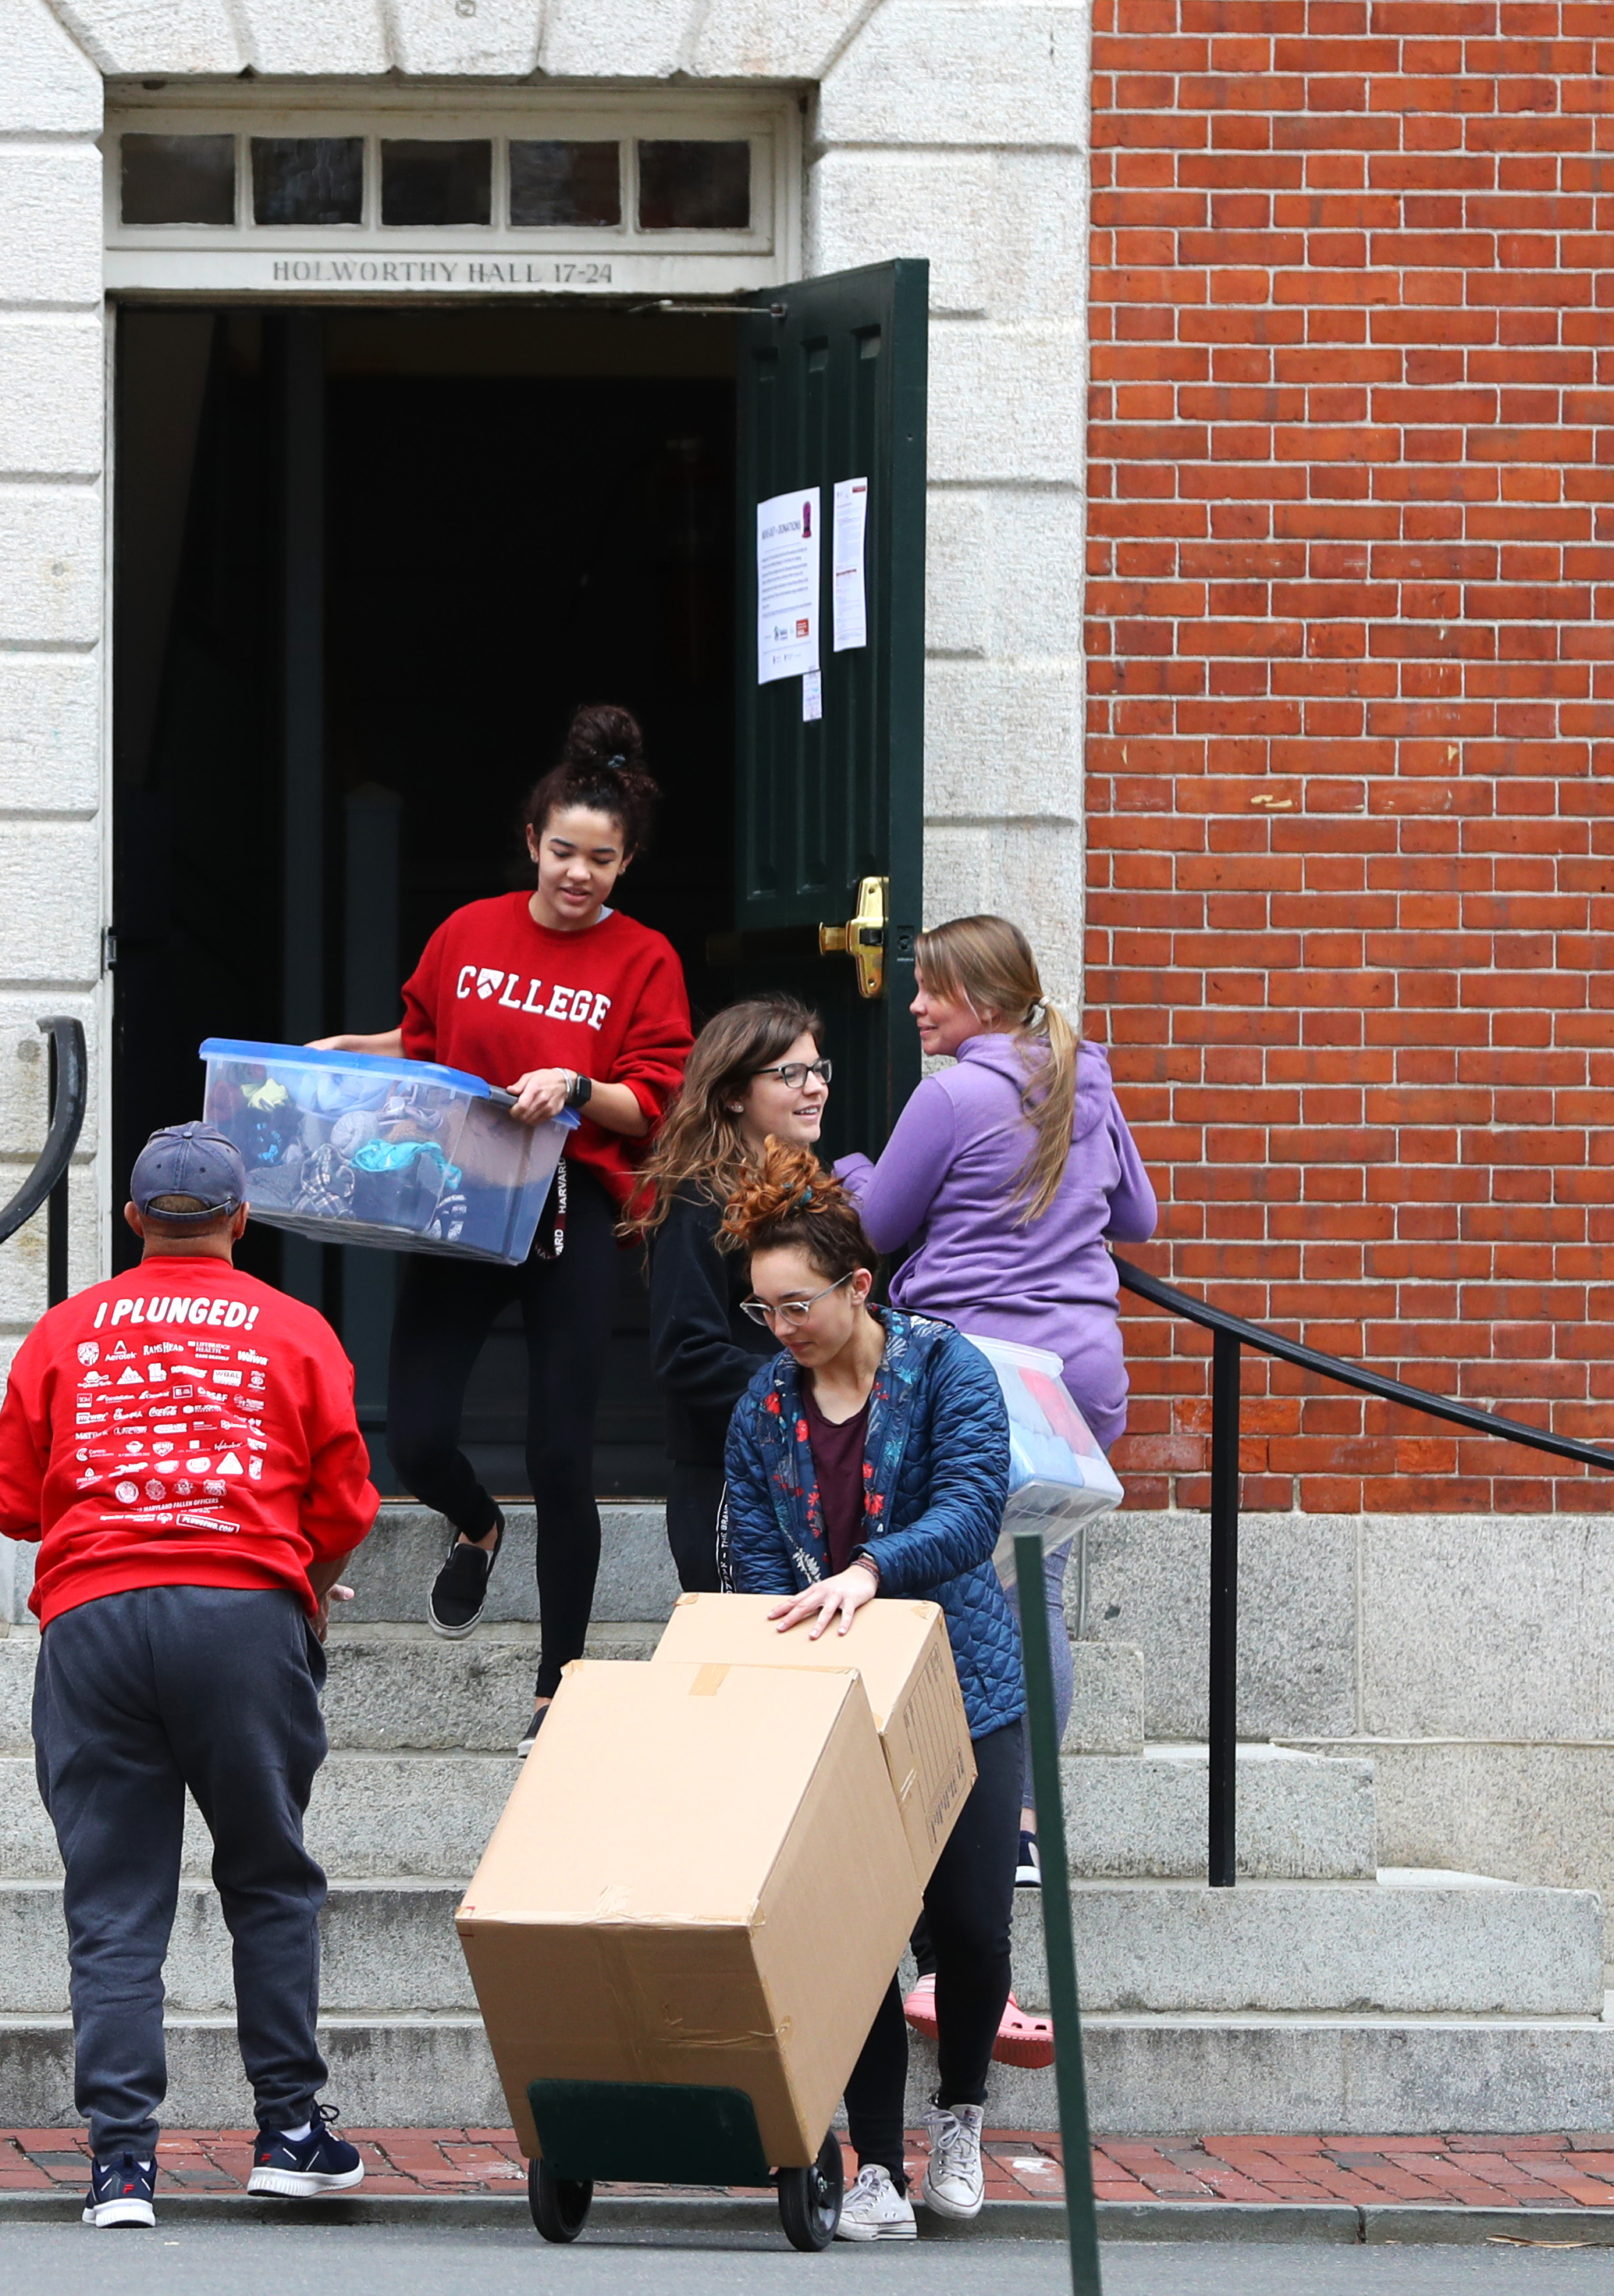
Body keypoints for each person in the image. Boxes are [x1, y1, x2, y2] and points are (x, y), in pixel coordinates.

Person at [0, 1123, 383, 2230]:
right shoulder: (292, 1329)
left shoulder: (66, 1330)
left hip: (94, 1617)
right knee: (265, 1875)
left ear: (132, 1220)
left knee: (112, 1900)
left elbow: (12, 1499)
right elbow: (346, 1503)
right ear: (240, 1221)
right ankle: (290, 2131)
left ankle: (120, 2165)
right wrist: (303, 1576)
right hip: (242, 1616)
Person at [309, 703, 691, 1735]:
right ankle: (475, 1527)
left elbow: (653, 1096)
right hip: (458, 1201)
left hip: (567, 1220)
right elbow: (427, 1042)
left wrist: (574, 1081)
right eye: (561, 850)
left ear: (625, 864)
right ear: (531, 841)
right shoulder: (466, 931)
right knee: (421, 1436)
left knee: (561, 1456)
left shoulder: (644, 959)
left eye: (600, 859)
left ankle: (554, 1681)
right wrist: (342, 1054)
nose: (576, 873)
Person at [720, 1143, 1024, 2237]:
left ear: (856, 1286)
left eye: (795, 1304)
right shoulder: (762, 1405)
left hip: (961, 1686)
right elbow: (750, 1552)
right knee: (854, 1935)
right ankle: (873, 2162)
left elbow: (968, 1511)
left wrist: (864, 1570)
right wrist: (777, 1630)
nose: (781, 1328)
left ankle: (961, 2111)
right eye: (762, 1310)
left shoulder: (948, 1369)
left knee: (972, 1931)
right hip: (830, 1696)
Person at [837, 913, 1160, 1885]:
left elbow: (880, 1225)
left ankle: (941, 1810)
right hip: (1082, 1384)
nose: (917, 1005)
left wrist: (852, 1169)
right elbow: (1138, 1216)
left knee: (936, 1587)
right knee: (1037, 1596)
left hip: (980, 1378)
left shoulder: (953, 1098)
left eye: (932, 988)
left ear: (980, 996)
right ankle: (1023, 1823)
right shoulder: (1083, 1076)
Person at [627, 995, 833, 1593]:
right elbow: (686, 1355)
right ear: (734, 1093)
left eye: (818, 1070)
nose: (813, 1087)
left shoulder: (813, 1196)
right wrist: (813, 1386)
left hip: (812, 1473)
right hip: (727, 1480)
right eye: (789, 1074)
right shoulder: (696, 1204)